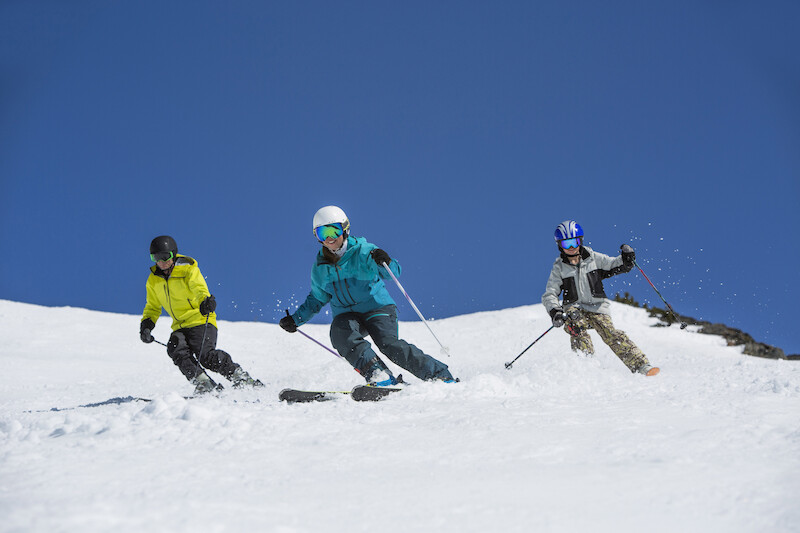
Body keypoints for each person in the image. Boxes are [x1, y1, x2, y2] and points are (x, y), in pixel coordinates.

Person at [279, 206, 456, 385]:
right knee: (341, 334)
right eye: (322, 233)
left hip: (377, 307)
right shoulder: (320, 268)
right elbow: (317, 298)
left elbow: (393, 273)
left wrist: (385, 260)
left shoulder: (364, 251)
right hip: (346, 315)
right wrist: (296, 319)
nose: (330, 238)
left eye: (334, 230)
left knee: (388, 344)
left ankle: (439, 374)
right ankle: (381, 376)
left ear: (345, 229)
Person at [139, 235, 264, 394]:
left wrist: (205, 301)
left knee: (205, 356)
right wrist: (147, 325)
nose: (162, 261)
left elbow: (199, 288)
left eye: (166, 257)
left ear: (174, 254)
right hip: (180, 325)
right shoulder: (153, 280)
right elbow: (152, 306)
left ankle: (241, 378)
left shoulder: (188, 270)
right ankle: (204, 384)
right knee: (175, 348)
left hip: (200, 319)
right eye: (156, 258)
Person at [541, 220, 659, 376]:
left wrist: (626, 260)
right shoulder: (559, 268)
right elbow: (550, 293)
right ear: (559, 245)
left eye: (574, 242)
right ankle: (585, 365)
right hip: (574, 307)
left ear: (580, 240)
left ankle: (641, 365)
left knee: (611, 333)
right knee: (575, 325)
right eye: (566, 244)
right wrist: (555, 311)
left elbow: (613, 264)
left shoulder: (593, 258)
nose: (571, 248)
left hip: (597, 306)